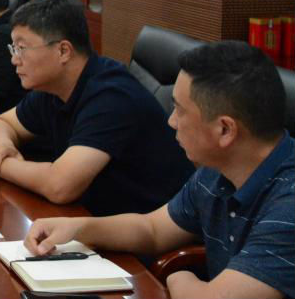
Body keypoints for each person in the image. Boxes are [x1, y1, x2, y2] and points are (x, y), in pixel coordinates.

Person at [23, 41, 292, 299]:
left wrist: (178, 276)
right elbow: (152, 229)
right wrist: (77, 228)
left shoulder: (288, 204)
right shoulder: (217, 170)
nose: (171, 121)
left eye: (180, 110)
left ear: (225, 130)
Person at [0, 0, 194, 216]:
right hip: (90, 218)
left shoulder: (111, 97)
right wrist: (1, 147)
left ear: (63, 51)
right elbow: (3, 123)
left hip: (146, 236)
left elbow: (60, 186)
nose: (14, 59)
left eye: (22, 48)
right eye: (14, 48)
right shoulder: (54, 87)